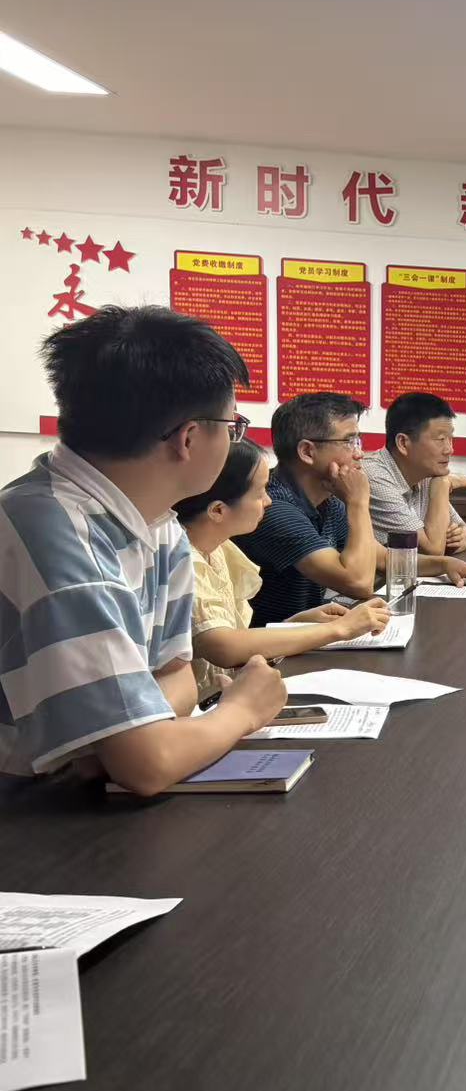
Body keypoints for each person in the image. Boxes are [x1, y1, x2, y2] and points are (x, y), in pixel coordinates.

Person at [0, 306, 286, 794]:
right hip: (26, 807)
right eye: (231, 425)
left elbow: (178, 679)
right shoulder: (52, 530)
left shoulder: (159, 521)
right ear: (189, 438)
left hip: (75, 792)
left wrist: (125, 733)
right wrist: (242, 709)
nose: (233, 437)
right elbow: (147, 765)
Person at [234, 392, 466, 627]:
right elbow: (359, 582)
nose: (359, 454)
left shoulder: (327, 501)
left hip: (308, 638)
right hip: (270, 651)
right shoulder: (273, 508)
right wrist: (358, 502)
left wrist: (445, 564)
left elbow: (384, 559)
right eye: (349, 442)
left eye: (358, 441)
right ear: (307, 452)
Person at [174, 438, 392, 700]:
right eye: (259, 493)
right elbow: (223, 647)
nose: (268, 501)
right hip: (203, 709)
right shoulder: (184, 559)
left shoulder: (218, 549)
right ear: (218, 510)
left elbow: (235, 636)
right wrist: (340, 629)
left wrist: (293, 625)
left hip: (227, 693)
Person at [363, 392, 466, 555]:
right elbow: (432, 550)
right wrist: (443, 484)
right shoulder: (374, 476)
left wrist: (463, 535)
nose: (449, 449)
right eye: (440, 439)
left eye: (450, 438)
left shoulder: (425, 472)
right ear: (403, 443)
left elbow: (460, 528)